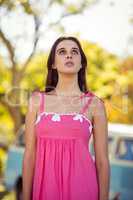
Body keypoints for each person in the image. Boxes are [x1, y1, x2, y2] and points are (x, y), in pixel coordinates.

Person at [22, 36, 110, 200]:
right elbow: (29, 155)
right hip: (45, 191)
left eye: (74, 52)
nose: (69, 55)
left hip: (83, 190)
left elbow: (102, 161)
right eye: (62, 52)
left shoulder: (95, 105)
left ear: (81, 63)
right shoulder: (36, 101)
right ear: (53, 64)